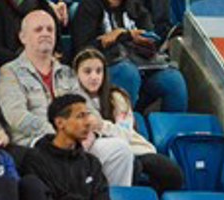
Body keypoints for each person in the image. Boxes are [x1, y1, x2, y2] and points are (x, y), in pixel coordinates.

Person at [0, 10, 134, 187]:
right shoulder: (9, 72)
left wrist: (89, 131)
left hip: (76, 140)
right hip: (36, 143)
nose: (45, 33)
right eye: (38, 29)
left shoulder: (67, 73)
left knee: (119, 151)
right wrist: (60, 135)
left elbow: (89, 110)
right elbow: (16, 116)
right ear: (23, 37)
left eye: (50, 29)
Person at [71, 0, 188, 112]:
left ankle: (171, 127)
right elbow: (82, 49)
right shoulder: (89, 6)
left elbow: (151, 42)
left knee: (173, 80)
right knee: (128, 72)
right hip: (104, 70)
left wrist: (140, 40)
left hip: (141, 67)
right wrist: (114, 38)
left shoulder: (138, 9)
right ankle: (123, 121)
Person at [72, 48, 184, 194]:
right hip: (100, 154)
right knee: (131, 166)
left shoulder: (117, 97)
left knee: (172, 173)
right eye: (87, 71)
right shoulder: (72, 102)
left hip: (135, 150)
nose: (94, 77)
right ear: (77, 74)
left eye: (99, 71)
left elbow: (125, 134)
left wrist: (102, 125)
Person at [19, 94, 111, 199]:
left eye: (87, 115)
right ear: (59, 123)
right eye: (80, 116)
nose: (88, 122)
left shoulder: (91, 163)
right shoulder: (36, 160)